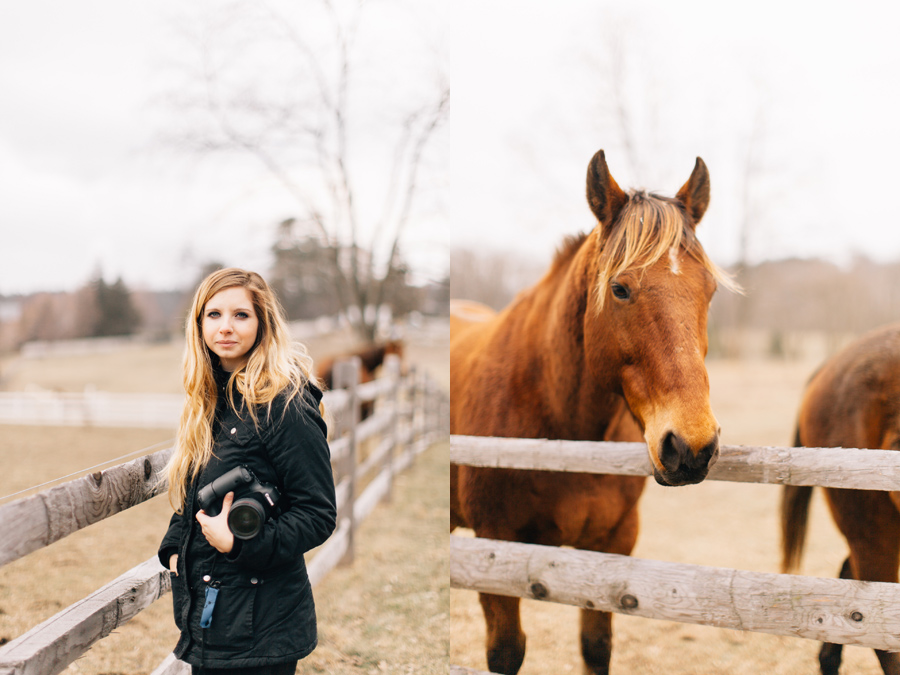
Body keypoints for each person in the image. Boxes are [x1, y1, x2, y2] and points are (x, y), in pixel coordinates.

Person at [158, 268, 337, 674]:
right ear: (199, 323)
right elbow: (197, 493)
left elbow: (318, 514)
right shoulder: (209, 401)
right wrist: (174, 546)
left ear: (262, 324)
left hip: (262, 626)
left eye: (241, 315)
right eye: (214, 314)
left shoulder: (283, 403)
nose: (225, 327)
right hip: (214, 620)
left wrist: (239, 545)